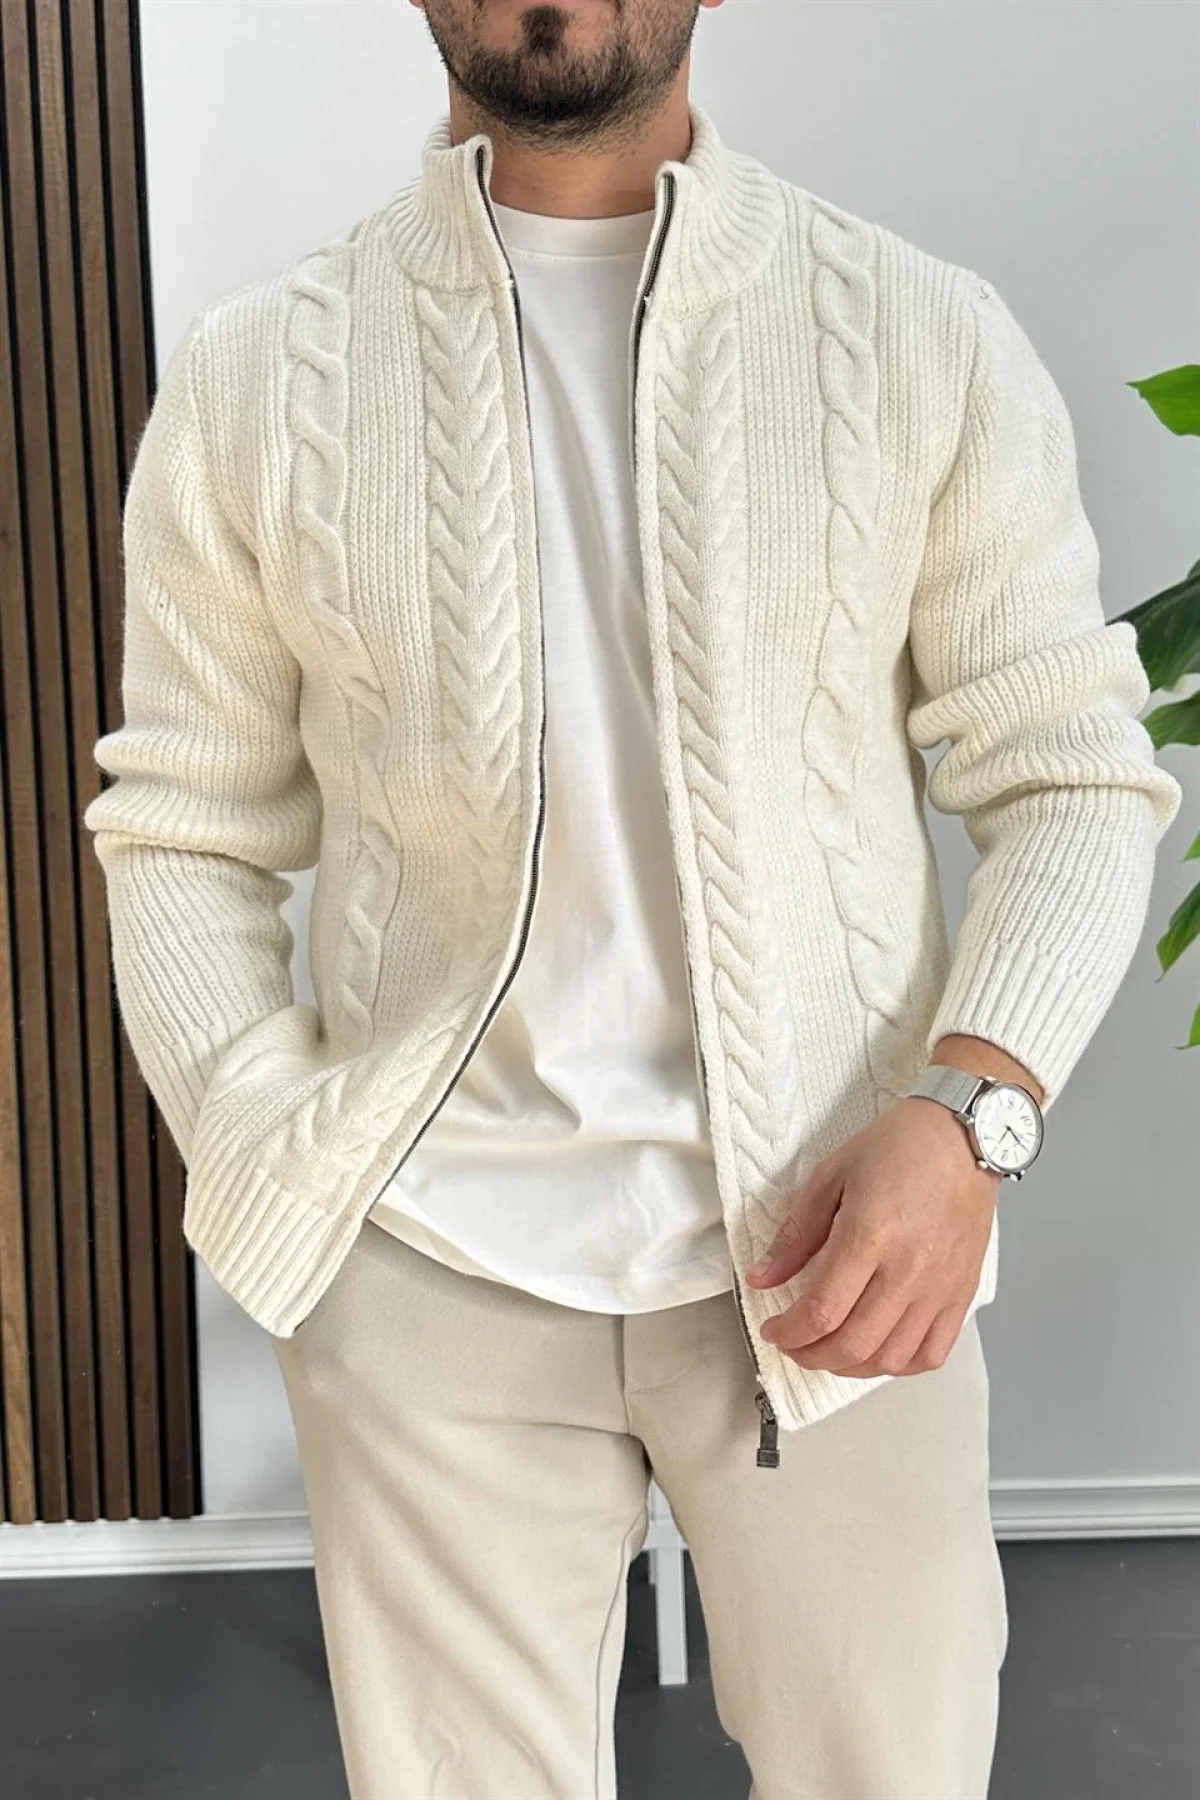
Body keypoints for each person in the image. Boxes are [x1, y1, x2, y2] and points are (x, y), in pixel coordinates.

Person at [83, 2, 1182, 1795]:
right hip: (427, 1265)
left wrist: (971, 1118)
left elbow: (1068, 773)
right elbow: (185, 827)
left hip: (843, 1249)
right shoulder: (254, 378)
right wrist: (272, 1150)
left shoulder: (919, 337)